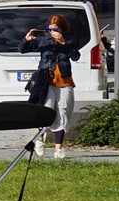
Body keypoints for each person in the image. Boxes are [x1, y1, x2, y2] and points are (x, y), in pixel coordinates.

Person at [26, 15, 83, 159]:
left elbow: (76, 56)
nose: (52, 32)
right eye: (49, 29)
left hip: (64, 80)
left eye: (55, 29)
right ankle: (39, 140)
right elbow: (22, 49)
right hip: (47, 81)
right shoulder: (44, 41)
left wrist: (63, 42)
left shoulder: (69, 41)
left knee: (63, 111)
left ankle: (58, 149)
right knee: (46, 110)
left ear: (62, 29)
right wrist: (25, 41)